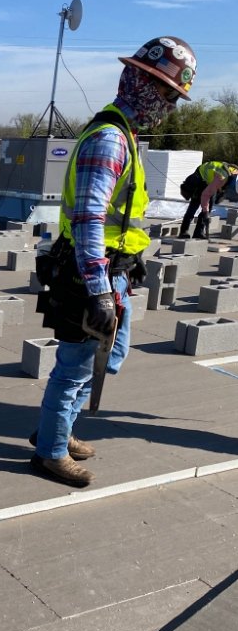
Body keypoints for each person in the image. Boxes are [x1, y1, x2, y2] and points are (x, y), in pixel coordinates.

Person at [31, 35, 197, 488]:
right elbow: (87, 219)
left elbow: (118, 216)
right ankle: (49, 450)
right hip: (90, 273)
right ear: (140, 82)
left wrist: (126, 265)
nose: (170, 106)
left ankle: (55, 429)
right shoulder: (109, 140)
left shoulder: (126, 134)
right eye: (166, 93)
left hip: (112, 270)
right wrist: (99, 288)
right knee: (76, 364)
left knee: (111, 355)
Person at [178, 159, 238, 239]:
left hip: (213, 179)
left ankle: (198, 232)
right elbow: (205, 195)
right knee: (194, 206)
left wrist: (221, 192)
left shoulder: (234, 173)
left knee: (209, 207)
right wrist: (205, 213)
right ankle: (183, 232)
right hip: (201, 179)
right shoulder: (221, 178)